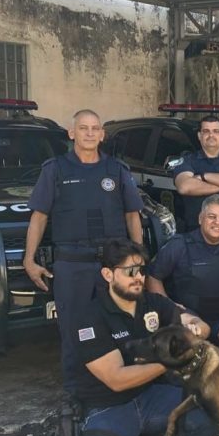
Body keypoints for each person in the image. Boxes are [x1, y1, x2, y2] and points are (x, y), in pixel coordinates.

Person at [24, 109, 144, 395]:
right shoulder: (55, 169)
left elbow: (132, 216)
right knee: (74, 330)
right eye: (83, 128)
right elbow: (39, 217)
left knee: (121, 324)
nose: (90, 133)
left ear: (102, 135)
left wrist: (137, 259)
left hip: (113, 265)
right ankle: (77, 394)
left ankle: (124, 389)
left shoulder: (117, 170)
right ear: (72, 133)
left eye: (95, 128)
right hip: (72, 265)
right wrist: (29, 260)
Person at [73, 239, 216, 436]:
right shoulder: (90, 317)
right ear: (108, 274)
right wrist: (173, 359)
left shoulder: (152, 302)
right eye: (130, 271)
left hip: (150, 396)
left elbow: (197, 324)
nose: (138, 277)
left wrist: (195, 329)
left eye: (141, 270)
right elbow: (117, 380)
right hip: (108, 407)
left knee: (212, 408)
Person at [145, 194, 219, 349]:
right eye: (211, 216)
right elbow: (152, 277)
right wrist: (170, 310)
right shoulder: (179, 245)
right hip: (188, 317)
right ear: (200, 218)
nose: (217, 222)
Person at [172, 115, 219, 233]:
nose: (211, 135)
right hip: (196, 233)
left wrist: (203, 177)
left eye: (216, 131)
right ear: (199, 136)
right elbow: (184, 187)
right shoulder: (188, 159)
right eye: (206, 131)